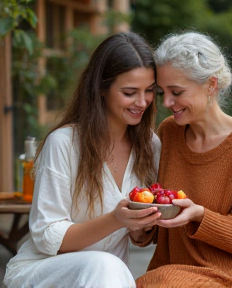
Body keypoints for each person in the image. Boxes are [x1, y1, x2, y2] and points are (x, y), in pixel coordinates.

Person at [2, 32, 162, 288]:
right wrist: (115, 220)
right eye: (130, 92)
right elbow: (46, 237)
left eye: (150, 91)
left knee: (111, 268)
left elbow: (139, 238)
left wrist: (141, 226)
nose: (142, 102)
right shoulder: (64, 143)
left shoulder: (150, 146)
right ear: (101, 88)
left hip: (108, 278)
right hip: (45, 272)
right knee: (105, 264)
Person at [132, 32, 232, 287]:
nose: (167, 102)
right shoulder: (169, 133)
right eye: (162, 92)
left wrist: (200, 215)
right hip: (173, 273)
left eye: (177, 92)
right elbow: (166, 220)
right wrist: (142, 227)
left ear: (211, 85)